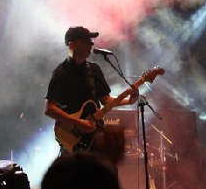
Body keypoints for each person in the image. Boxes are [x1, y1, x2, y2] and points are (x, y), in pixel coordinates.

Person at [44, 26, 138, 157]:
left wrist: (129, 101)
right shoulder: (61, 73)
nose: (91, 44)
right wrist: (77, 122)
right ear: (72, 45)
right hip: (73, 137)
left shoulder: (94, 69)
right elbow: (49, 108)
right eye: (86, 41)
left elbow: (105, 99)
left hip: (96, 134)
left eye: (91, 40)